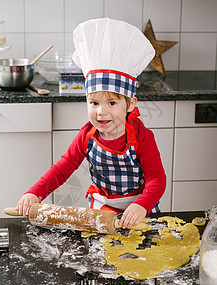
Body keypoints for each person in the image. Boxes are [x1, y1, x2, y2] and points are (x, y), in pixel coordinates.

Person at [16, 18, 166, 229]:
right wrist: (35, 192)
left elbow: (156, 179)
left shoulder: (142, 137)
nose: (101, 111)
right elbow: (62, 169)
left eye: (112, 102)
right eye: (94, 102)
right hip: (101, 209)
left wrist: (142, 204)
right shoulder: (87, 135)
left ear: (130, 104)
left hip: (138, 210)